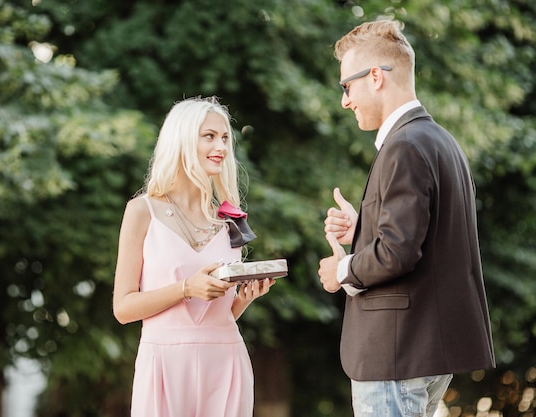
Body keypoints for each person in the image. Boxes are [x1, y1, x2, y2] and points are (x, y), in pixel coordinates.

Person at [318, 20, 495, 416]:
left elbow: (398, 252)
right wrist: (360, 228)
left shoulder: (403, 147)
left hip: (396, 353)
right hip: (426, 353)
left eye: (347, 86)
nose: (345, 100)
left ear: (376, 77)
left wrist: (341, 269)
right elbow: (428, 239)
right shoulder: (441, 142)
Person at [112, 96, 274, 417]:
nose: (222, 146)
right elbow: (123, 308)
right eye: (209, 136)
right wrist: (186, 287)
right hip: (164, 366)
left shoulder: (231, 220)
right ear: (183, 140)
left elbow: (214, 317)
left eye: (225, 137)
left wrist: (244, 298)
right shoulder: (142, 212)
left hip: (225, 362)